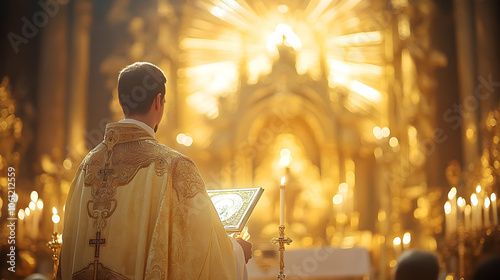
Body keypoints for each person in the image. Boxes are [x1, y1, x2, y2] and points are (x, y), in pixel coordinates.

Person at [58, 62, 252, 279]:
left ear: (121, 101)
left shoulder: (86, 166)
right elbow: (199, 251)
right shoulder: (174, 167)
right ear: (159, 101)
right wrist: (236, 251)